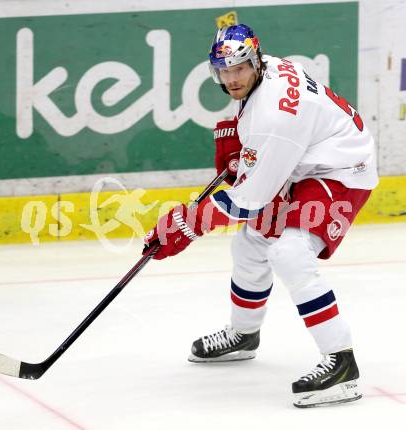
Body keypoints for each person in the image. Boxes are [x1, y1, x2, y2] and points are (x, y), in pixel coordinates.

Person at [143, 24, 378, 408]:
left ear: (255, 62)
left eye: (239, 69)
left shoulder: (274, 121)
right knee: (252, 242)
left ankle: (342, 364)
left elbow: (250, 199)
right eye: (224, 70)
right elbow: (262, 155)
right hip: (307, 159)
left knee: (290, 252)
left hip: (342, 170)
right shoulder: (267, 72)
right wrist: (246, 151)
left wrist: (189, 223)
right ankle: (244, 335)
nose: (232, 79)